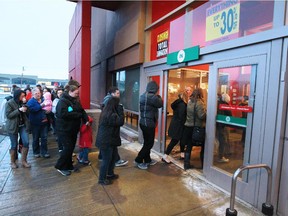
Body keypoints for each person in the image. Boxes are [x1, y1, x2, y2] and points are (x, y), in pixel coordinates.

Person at [54, 84, 88, 176]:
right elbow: (63, 114)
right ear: (70, 92)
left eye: (78, 93)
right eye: (76, 93)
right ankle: (60, 166)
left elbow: (81, 110)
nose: (78, 94)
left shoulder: (75, 100)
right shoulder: (62, 101)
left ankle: (68, 165)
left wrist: (86, 119)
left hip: (72, 129)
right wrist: (78, 115)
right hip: (64, 129)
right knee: (68, 148)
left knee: (71, 148)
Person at [135, 81, 163, 170]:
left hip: (143, 122)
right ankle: (139, 160)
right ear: (155, 89)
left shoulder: (143, 95)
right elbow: (160, 104)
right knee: (149, 144)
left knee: (147, 142)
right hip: (149, 123)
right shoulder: (153, 97)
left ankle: (147, 159)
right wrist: (159, 96)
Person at [96, 97, 124, 185]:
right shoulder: (111, 115)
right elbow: (120, 122)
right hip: (106, 141)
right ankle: (101, 179)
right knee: (106, 160)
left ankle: (110, 173)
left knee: (112, 158)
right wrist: (120, 110)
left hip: (110, 140)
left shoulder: (106, 112)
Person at [99, 86, 128, 167]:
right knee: (112, 145)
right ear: (112, 93)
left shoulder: (107, 99)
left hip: (107, 130)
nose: (119, 95)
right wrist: (120, 109)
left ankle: (102, 157)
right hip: (110, 129)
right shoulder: (110, 101)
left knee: (109, 146)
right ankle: (116, 160)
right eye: (117, 93)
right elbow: (119, 120)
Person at [5, 89, 31, 168]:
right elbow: (8, 115)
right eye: (22, 96)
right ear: (17, 96)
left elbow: (28, 112)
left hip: (22, 125)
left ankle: (24, 161)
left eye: (24, 96)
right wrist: (19, 110)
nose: (24, 97)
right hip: (13, 126)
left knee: (26, 142)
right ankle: (12, 162)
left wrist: (25, 105)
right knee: (14, 144)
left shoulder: (23, 102)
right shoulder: (9, 103)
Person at [182, 88, 206, 170]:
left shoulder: (189, 101)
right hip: (196, 127)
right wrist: (207, 112)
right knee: (203, 145)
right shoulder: (199, 103)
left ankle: (186, 164)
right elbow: (201, 116)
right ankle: (204, 165)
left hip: (188, 126)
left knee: (189, 146)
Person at [162, 92, 187, 163]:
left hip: (175, 124)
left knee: (182, 140)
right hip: (179, 126)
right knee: (174, 141)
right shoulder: (182, 105)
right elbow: (181, 116)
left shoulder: (177, 104)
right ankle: (165, 156)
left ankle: (182, 154)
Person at [27, 88, 50, 158]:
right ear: (33, 94)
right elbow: (32, 110)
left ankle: (44, 152)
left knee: (44, 138)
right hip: (35, 123)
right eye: (36, 93)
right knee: (35, 138)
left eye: (39, 93)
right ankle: (36, 152)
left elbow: (48, 107)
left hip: (44, 122)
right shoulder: (30, 102)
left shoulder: (44, 99)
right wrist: (40, 106)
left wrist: (48, 111)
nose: (38, 95)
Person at [216, 93, 232, 163]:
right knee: (222, 141)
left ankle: (219, 155)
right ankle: (221, 157)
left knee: (219, 140)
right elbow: (230, 116)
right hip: (222, 126)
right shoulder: (226, 106)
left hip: (217, 125)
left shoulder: (218, 104)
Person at [52, 88, 64, 152]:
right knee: (59, 134)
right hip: (58, 120)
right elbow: (53, 110)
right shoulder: (55, 101)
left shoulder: (66, 100)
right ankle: (60, 148)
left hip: (66, 120)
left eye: (61, 93)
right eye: (58, 93)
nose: (60, 94)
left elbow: (70, 109)